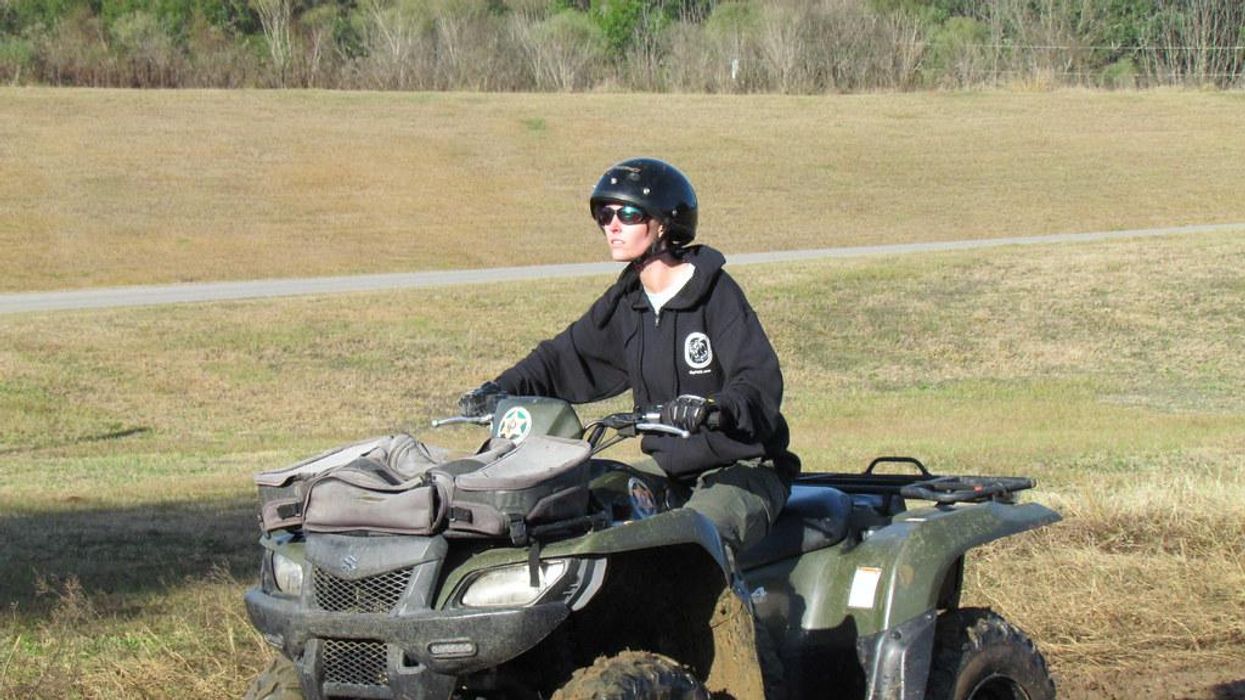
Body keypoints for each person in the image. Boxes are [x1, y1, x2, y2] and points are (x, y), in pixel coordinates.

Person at [458, 157, 799, 556]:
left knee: (687, 546)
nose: (613, 226)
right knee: (583, 506)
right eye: (605, 215)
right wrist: (499, 390)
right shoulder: (628, 301)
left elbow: (757, 379)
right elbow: (564, 357)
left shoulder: (715, 293)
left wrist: (714, 407)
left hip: (743, 470)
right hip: (671, 470)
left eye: (628, 214)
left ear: (663, 223)